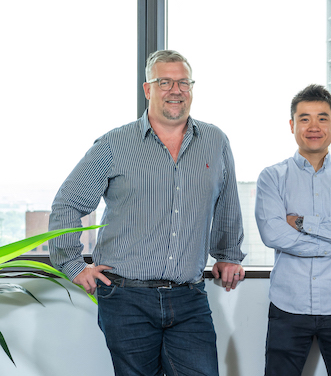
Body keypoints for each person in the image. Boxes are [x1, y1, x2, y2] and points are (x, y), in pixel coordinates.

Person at [49, 49, 246, 376]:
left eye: (184, 83)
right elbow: (68, 204)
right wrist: (72, 264)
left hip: (189, 298)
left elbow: (227, 203)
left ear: (192, 89)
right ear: (147, 89)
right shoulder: (115, 144)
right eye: (164, 82)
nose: (175, 90)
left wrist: (227, 255)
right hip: (126, 299)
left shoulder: (215, 141)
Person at [255, 84, 331, 376]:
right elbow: (273, 234)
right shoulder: (272, 177)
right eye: (305, 118)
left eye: (322, 118)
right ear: (292, 125)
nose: (314, 126)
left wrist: (300, 222)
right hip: (288, 305)